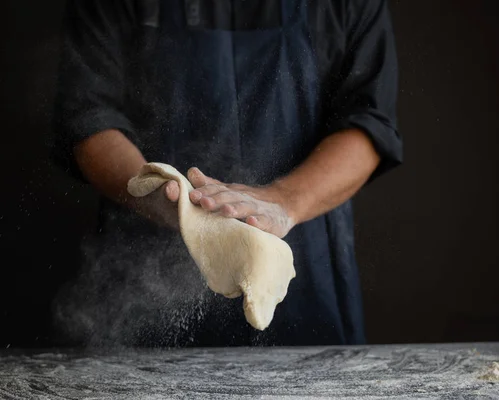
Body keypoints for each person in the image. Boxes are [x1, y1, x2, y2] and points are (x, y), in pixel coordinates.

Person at [51, 0, 403, 347]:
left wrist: (283, 201)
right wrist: (163, 197)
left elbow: (369, 121)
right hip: (144, 268)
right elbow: (88, 116)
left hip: (306, 273)